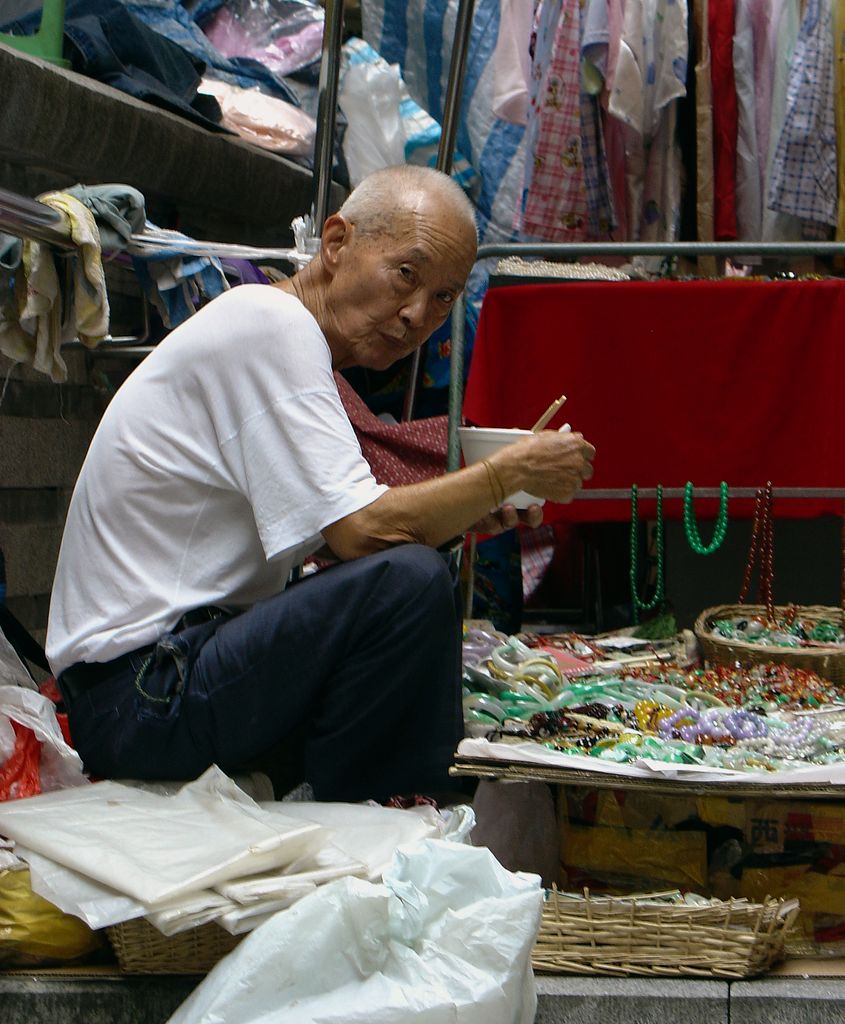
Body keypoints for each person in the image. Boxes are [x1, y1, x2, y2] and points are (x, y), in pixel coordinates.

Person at [46, 165, 595, 801]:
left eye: (445, 298)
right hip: (138, 696)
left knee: (414, 578)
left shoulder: (286, 334)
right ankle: (400, 818)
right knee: (410, 581)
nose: (418, 315)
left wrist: (475, 506)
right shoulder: (270, 326)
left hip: (159, 681)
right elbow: (363, 532)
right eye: (406, 275)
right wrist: (506, 474)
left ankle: (384, 806)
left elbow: (339, 540)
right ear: (335, 244)